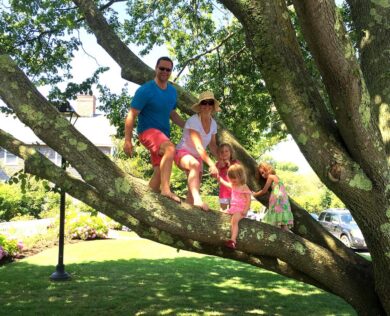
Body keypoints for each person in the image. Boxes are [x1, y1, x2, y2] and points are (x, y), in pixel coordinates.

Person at [123, 57, 185, 202]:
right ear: (156, 68)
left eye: (168, 69)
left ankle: (146, 203)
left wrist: (188, 127)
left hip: (163, 135)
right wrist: (127, 140)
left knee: (159, 172)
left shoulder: (172, 92)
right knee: (170, 149)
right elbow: (132, 114)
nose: (164, 71)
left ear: (171, 71)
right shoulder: (145, 90)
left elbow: (172, 114)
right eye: (161, 68)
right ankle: (166, 190)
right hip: (147, 132)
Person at [174, 91, 220, 211]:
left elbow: (213, 146)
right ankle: (198, 200)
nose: (207, 106)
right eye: (204, 103)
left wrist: (221, 161)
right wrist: (211, 164)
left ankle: (187, 214)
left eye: (210, 103)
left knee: (192, 190)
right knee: (194, 164)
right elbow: (199, 146)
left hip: (198, 157)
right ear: (200, 106)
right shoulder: (193, 121)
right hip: (183, 153)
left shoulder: (213, 124)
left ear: (213, 106)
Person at [218, 164, 252, 249]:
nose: (232, 180)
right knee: (222, 213)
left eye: (234, 178)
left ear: (240, 176)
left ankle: (233, 240)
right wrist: (219, 178)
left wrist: (246, 210)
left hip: (241, 209)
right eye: (231, 178)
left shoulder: (244, 186)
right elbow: (225, 183)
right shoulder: (234, 185)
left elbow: (248, 200)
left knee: (234, 220)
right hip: (233, 208)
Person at [252, 162, 294, 231]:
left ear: (268, 169)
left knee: (280, 221)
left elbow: (264, 191)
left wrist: (255, 194)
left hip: (277, 199)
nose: (263, 175)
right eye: (261, 174)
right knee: (282, 223)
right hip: (283, 199)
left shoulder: (270, 177)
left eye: (264, 172)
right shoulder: (276, 177)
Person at [216, 143, 239, 211]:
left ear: (231, 152)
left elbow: (238, 174)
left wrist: (229, 166)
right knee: (223, 211)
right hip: (224, 191)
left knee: (233, 210)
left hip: (234, 191)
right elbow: (215, 175)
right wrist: (219, 167)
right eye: (222, 152)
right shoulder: (218, 164)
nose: (224, 153)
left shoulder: (235, 162)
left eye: (226, 151)